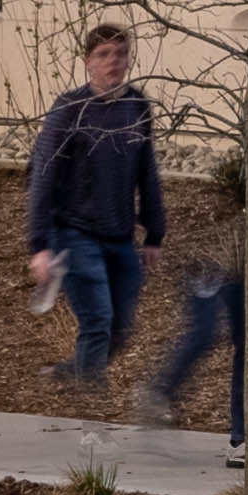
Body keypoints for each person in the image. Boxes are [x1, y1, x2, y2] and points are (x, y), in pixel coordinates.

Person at [21, 25, 159, 389]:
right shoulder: (70, 109)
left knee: (119, 329)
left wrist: (154, 234)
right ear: (87, 62)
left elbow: (148, 173)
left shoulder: (137, 106)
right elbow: (42, 176)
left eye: (119, 53)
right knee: (97, 320)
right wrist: (40, 245)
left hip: (120, 236)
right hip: (74, 233)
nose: (112, 62)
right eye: (103, 54)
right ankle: (91, 418)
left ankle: (73, 373)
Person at [142, 166, 248, 436]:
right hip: (210, 263)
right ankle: (161, 390)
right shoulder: (227, 178)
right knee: (205, 334)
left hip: (246, 266)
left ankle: (242, 439)